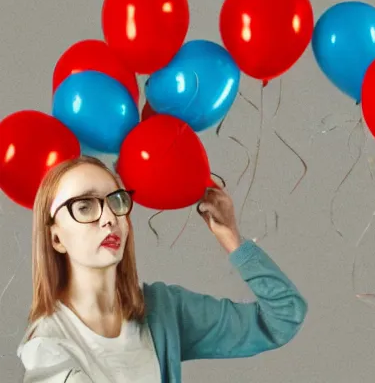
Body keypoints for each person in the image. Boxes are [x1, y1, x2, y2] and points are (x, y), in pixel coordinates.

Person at [16, 155, 308, 382]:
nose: (108, 217)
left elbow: (283, 316)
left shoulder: (162, 309)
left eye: (116, 200)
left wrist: (232, 239)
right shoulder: (48, 348)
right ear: (55, 237)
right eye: (84, 207)